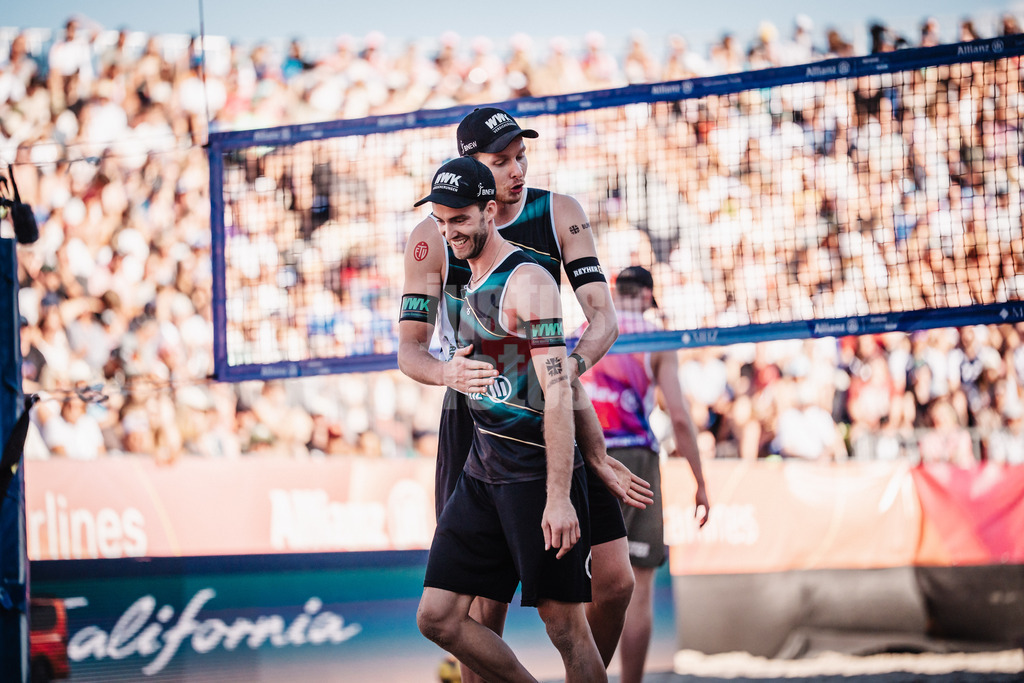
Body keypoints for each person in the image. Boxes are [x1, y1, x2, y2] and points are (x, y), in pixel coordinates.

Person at [399, 107, 650, 681]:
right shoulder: (433, 236)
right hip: (476, 413)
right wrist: (448, 374)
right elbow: (411, 350)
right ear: (472, 168)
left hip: (554, 404)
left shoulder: (558, 212)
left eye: (520, 156)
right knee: (479, 608)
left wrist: (560, 378)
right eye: (500, 160)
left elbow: (602, 322)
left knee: (614, 583)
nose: (516, 170)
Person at [580, 266, 710, 683]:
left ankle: (585, 676)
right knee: (637, 590)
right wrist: (701, 483)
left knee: (590, 586)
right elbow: (681, 419)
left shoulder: (587, 328)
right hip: (634, 459)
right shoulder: (656, 338)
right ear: (649, 296)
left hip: (586, 454)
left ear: (616, 293)